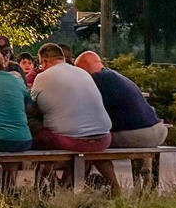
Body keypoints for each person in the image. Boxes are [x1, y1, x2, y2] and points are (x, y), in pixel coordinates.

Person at [30, 43, 116, 191]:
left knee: (35, 131)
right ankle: (66, 186)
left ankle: (49, 183)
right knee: (76, 139)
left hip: (71, 141)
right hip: (103, 138)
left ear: (43, 61)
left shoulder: (42, 77)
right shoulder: (83, 73)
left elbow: (32, 105)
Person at [74, 51, 168, 148]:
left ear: (85, 65)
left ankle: (98, 160)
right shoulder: (114, 75)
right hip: (159, 129)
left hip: (141, 134)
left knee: (91, 142)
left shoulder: (98, 79)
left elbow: (96, 115)